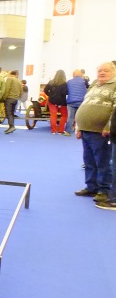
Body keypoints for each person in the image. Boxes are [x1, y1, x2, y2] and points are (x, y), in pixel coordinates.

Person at [73, 61, 116, 204]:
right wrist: (79, 126)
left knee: (103, 162)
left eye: (106, 71)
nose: (102, 73)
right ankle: (91, 186)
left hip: (101, 131)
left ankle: (104, 190)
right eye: (99, 71)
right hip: (86, 129)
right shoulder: (93, 85)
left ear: (113, 72)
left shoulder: (114, 85)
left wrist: (109, 126)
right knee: (89, 161)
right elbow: (85, 105)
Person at [43, 69, 69, 135]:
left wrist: (50, 95)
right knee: (64, 115)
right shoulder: (64, 84)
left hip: (52, 101)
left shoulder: (51, 82)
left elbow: (45, 90)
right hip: (61, 102)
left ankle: (53, 131)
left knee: (53, 115)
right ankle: (61, 130)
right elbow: (65, 93)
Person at [65, 69, 87, 134]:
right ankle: (81, 131)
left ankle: (68, 131)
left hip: (71, 101)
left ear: (73, 75)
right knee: (81, 117)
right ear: (81, 74)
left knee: (70, 117)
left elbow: (66, 91)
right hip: (81, 101)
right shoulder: (84, 81)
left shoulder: (69, 82)